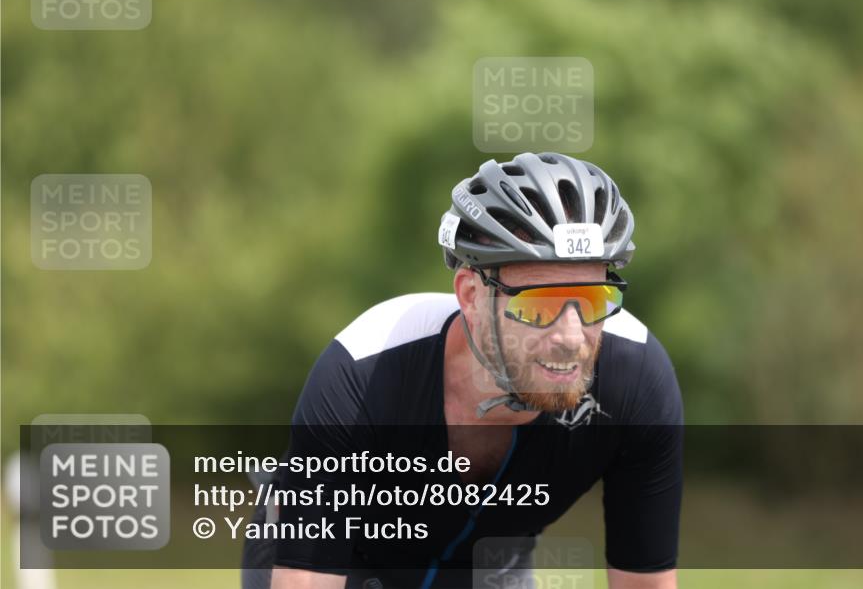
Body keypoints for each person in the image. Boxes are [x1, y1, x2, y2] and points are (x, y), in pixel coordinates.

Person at [268, 152, 683, 588]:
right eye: (538, 304)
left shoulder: (637, 381)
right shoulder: (365, 369)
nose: (572, 336)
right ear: (470, 295)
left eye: (593, 300)